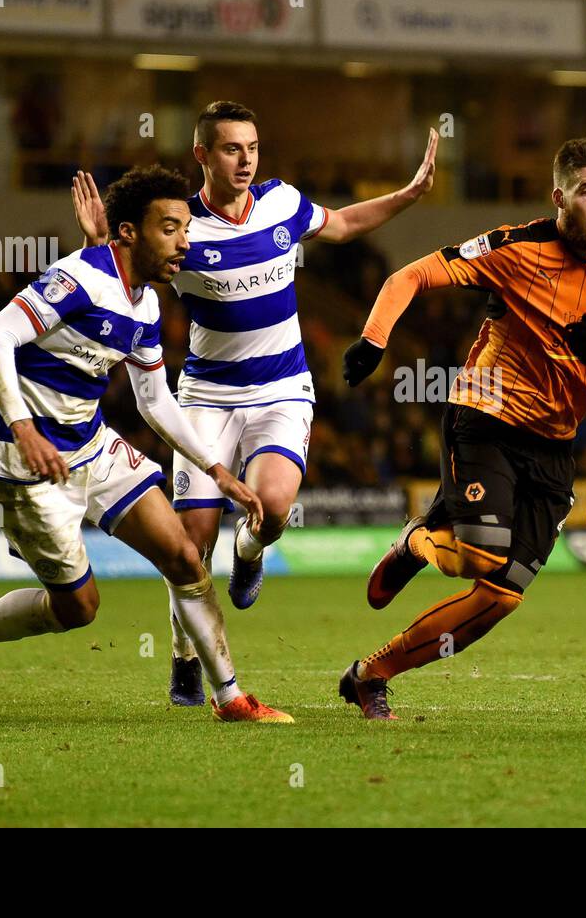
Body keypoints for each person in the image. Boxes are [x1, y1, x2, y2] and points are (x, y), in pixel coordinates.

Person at [72, 100, 438, 706]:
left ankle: (248, 553)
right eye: (230, 149)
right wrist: (95, 241)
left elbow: (342, 224)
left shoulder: (282, 204)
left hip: (281, 389)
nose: (245, 161)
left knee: (269, 506)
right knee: (190, 544)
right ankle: (186, 658)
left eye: (253, 148)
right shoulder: (179, 228)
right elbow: (120, 274)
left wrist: (407, 195)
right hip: (206, 397)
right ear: (202, 155)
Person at [0, 165, 290, 723]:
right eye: (170, 229)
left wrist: (218, 470)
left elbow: (155, 400)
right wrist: (23, 427)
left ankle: (230, 699)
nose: (184, 243)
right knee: (79, 609)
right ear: (129, 232)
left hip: (90, 448)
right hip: (22, 463)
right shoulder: (80, 277)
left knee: (185, 557)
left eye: (187, 229)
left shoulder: (144, 304)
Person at [337, 137, 586, 719]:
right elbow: (411, 276)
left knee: (501, 596)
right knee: (483, 559)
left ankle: (372, 673)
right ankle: (417, 541)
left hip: (555, 446)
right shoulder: (515, 247)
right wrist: (374, 339)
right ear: (559, 196)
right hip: (484, 416)